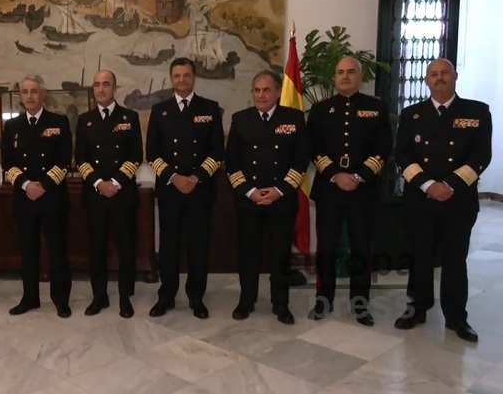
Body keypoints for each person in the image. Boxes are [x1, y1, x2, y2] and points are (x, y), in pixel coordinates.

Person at [393, 58, 491, 343]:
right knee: (420, 255)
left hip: (458, 200)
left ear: (455, 76)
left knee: (455, 259)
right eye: (433, 74)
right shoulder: (412, 115)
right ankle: (418, 307)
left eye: (444, 73)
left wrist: (450, 185)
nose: (439, 78)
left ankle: (457, 316)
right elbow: (403, 156)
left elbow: (481, 156)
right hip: (421, 199)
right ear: (426, 80)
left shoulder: (477, 112)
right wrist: (427, 185)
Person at [307, 55, 392, 326]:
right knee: (327, 247)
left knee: (360, 248)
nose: (345, 76)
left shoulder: (376, 108)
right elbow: (314, 149)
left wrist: (356, 176)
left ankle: (360, 304)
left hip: (363, 190)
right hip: (329, 189)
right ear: (334, 77)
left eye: (350, 72)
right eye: (340, 72)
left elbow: (383, 150)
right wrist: (335, 175)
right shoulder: (321, 110)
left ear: (360, 76)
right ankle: (324, 299)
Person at [225, 70, 309, 325]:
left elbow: (300, 160)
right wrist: (250, 192)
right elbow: (232, 162)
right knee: (248, 254)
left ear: (277, 92)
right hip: (249, 200)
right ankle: (246, 300)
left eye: (266, 90)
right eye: (257, 90)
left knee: (280, 255)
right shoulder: (240, 119)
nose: (261, 95)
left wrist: (279, 190)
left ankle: (280, 303)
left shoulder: (293, 118)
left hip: (281, 200)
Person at [145, 57, 224, 319]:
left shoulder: (210, 108)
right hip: (170, 191)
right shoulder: (160, 110)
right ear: (171, 78)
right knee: (169, 247)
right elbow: (152, 153)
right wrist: (174, 177)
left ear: (194, 78)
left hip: (200, 191)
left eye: (186, 75)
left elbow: (217, 153)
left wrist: (195, 178)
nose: (182, 80)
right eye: (177, 75)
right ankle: (166, 296)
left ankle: (196, 297)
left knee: (198, 246)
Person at [1, 74, 73, 318]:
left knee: (57, 251)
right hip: (25, 199)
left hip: (52, 197)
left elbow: (64, 162)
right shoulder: (12, 126)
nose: (29, 96)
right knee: (28, 251)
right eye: (24, 92)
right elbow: (7, 164)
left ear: (43, 94)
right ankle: (30, 298)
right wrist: (25, 185)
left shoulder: (59, 122)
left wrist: (41, 185)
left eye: (33, 91)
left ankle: (61, 299)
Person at [75, 70, 143, 319]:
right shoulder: (85, 120)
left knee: (126, 249)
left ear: (115, 88)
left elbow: (136, 156)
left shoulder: (129, 117)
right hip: (95, 196)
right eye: (97, 85)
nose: (101, 89)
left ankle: (125, 298)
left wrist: (114, 182)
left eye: (106, 84)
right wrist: (98, 183)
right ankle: (99, 297)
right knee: (97, 249)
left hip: (122, 194)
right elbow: (80, 159)